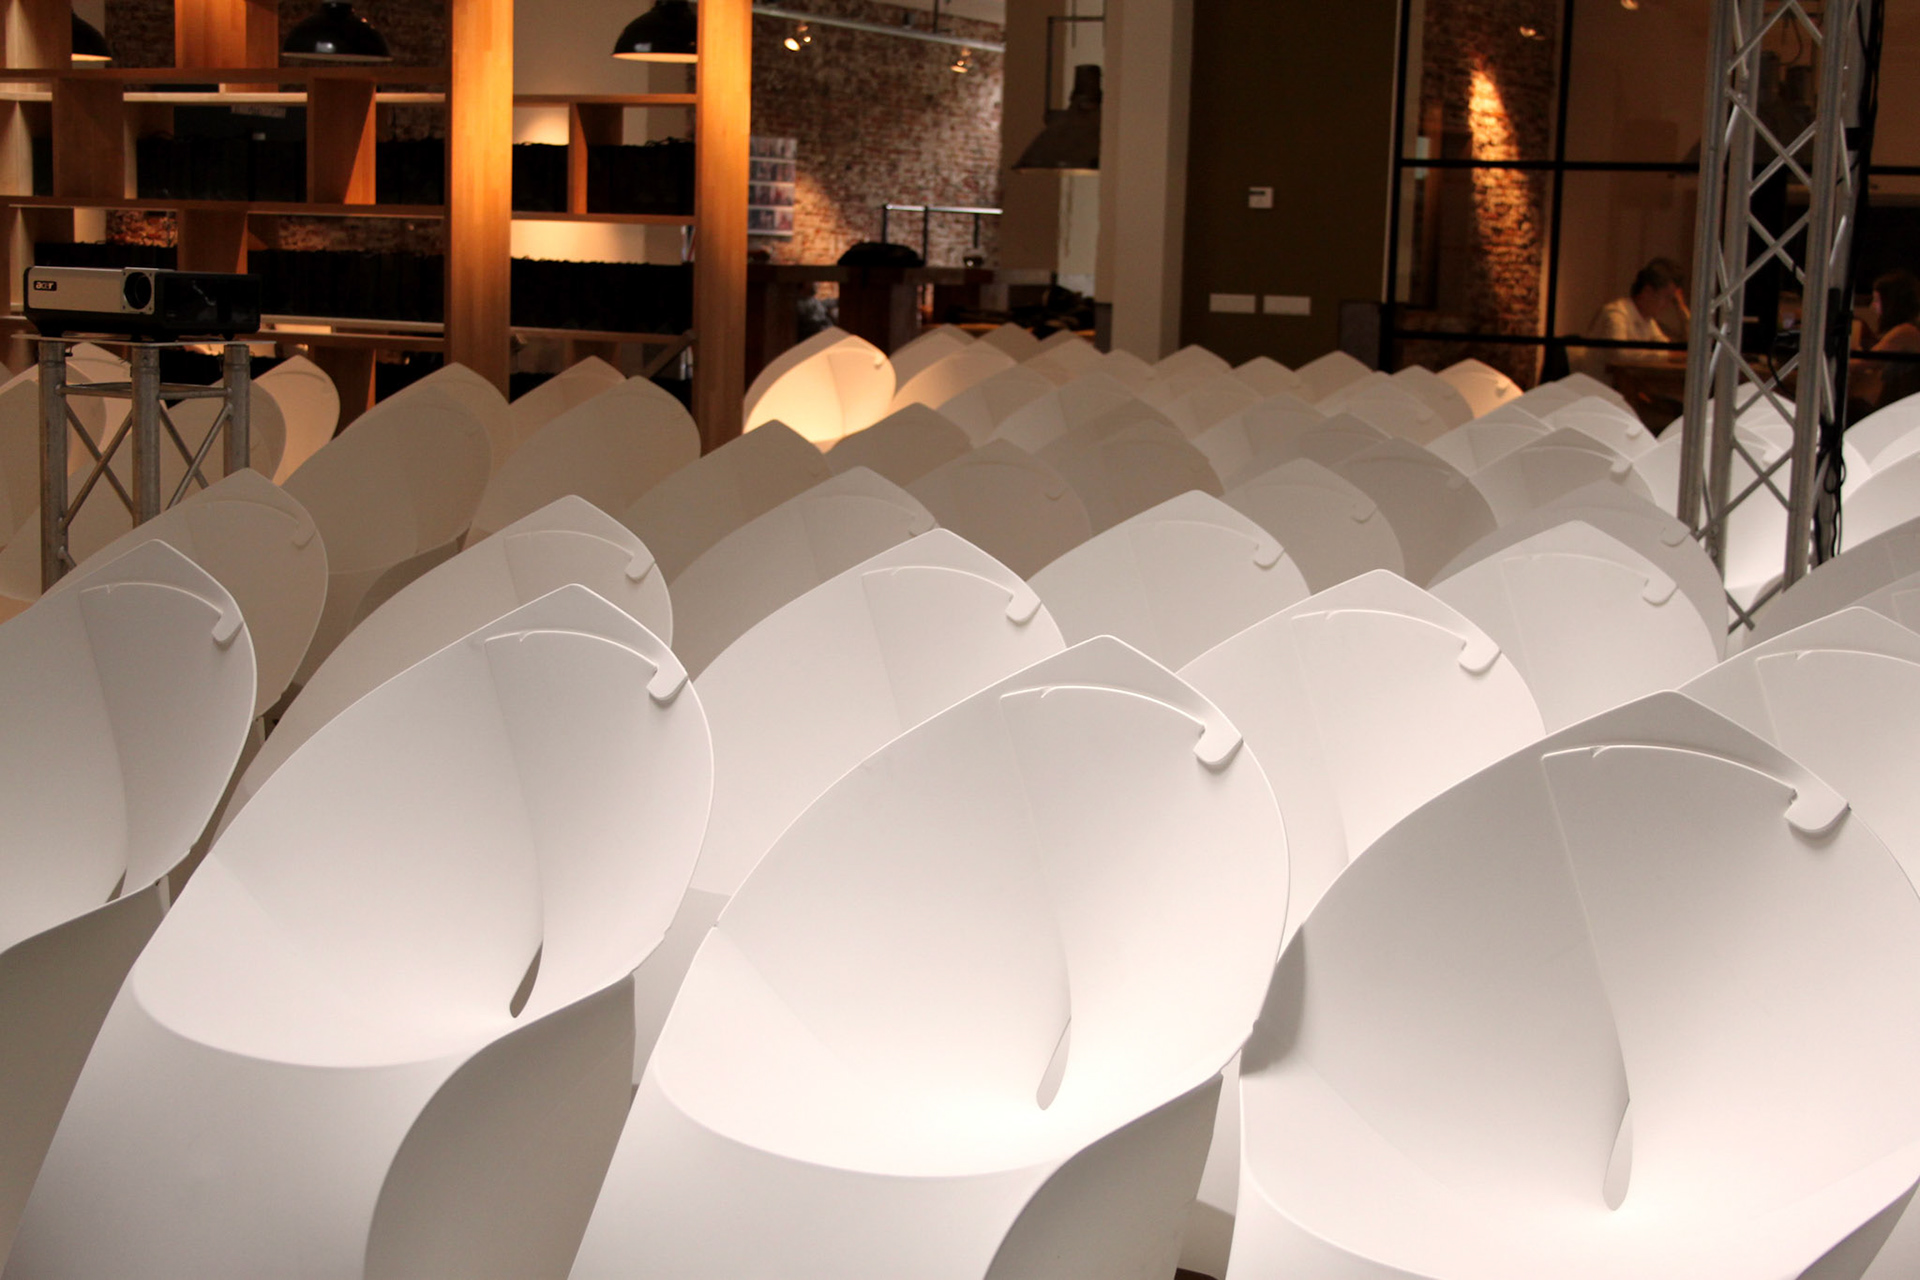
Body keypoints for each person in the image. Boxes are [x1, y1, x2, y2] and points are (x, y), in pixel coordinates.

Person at [1573, 258, 1690, 379]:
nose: (1668, 305)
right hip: (1598, 387)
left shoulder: (1648, 320)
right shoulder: (1616, 313)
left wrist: (1682, 309)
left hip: (1623, 386)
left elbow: (1664, 347)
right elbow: (1620, 354)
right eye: (1667, 297)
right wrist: (1669, 356)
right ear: (1648, 291)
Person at [1852, 268, 1920, 413]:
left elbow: (1864, 363)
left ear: (1891, 303)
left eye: (1877, 300)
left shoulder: (1905, 332)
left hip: (1898, 409)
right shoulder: (1908, 330)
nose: (1872, 306)